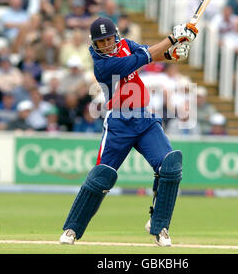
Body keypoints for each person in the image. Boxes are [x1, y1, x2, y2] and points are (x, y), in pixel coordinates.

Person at [59, 17, 196, 247]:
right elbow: (144, 57)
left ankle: (159, 225)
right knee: (101, 176)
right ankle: (72, 229)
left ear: (116, 36)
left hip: (144, 117)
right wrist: (174, 38)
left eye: (109, 39)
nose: (106, 45)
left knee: (170, 165)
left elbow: (150, 52)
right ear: (94, 44)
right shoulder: (103, 66)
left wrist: (173, 53)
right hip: (118, 123)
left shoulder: (126, 44)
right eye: (101, 43)